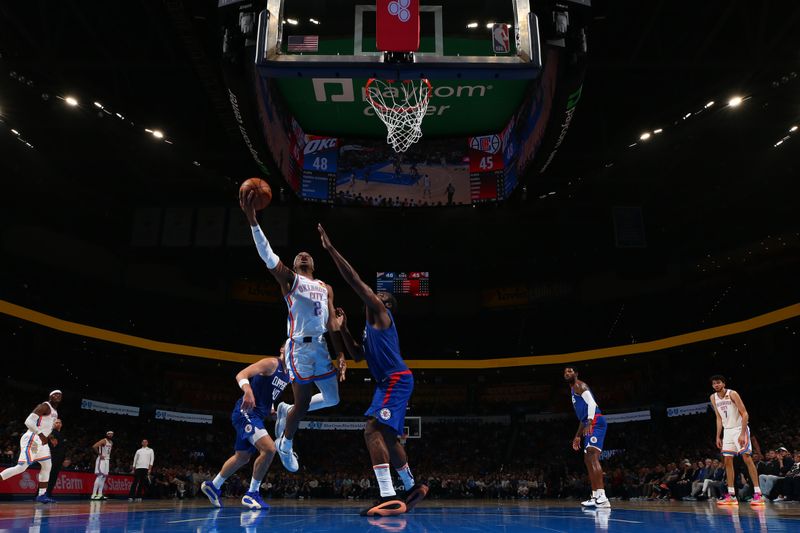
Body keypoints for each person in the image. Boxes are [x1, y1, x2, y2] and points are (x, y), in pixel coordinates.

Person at [317, 224, 428, 517]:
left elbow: (353, 280)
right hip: (389, 382)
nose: (375, 297)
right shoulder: (370, 330)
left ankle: (388, 495)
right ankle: (411, 486)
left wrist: (330, 249)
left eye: (381, 297)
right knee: (388, 438)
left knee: (372, 430)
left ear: (384, 304)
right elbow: (354, 355)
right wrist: (340, 330)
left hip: (394, 379)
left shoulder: (381, 314)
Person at [240, 187, 347, 473]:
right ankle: (286, 442)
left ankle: (286, 412)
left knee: (334, 398)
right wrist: (253, 219)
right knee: (301, 405)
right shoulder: (291, 282)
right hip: (299, 348)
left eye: (307, 256)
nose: (302, 256)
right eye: (299, 255)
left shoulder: (326, 287)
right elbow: (268, 255)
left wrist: (341, 356)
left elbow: (331, 324)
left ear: (313, 263)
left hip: (323, 348)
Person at [201, 346, 290, 509]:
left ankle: (214, 485)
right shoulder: (271, 363)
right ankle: (251, 494)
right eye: (292, 344)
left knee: (242, 457)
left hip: (257, 416)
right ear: (283, 349)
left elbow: (270, 393)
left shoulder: (288, 375)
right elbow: (241, 374)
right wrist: (247, 390)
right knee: (270, 450)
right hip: (246, 412)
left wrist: (271, 408)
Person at [710, 374, 764, 506]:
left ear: (723, 383)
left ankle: (758, 494)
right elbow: (718, 418)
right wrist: (718, 435)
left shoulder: (732, 394)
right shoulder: (713, 398)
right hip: (727, 431)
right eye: (714, 383)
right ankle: (732, 495)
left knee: (746, 458)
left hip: (740, 428)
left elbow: (745, 413)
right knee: (727, 460)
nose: (716, 385)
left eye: (718, 382)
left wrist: (742, 433)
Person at [0, 390, 62, 503]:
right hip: (33, 439)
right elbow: (28, 421)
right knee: (21, 467)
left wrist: (50, 437)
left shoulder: (55, 412)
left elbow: (46, 427)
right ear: (50, 396)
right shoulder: (44, 406)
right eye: (55, 394)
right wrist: (41, 434)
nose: (57, 396)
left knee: (47, 465)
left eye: (59, 395)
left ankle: (42, 495)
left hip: (42, 442)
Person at [563, 367, 610, 509]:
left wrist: (590, 421)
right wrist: (577, 435)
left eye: (570, 371)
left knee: (592, 455)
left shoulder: (580, 385)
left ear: (576, 374)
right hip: (589, 421)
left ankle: (602, 496)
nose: (567, 373)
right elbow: (582, 418)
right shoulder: (573, 390)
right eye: (565, 372)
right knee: (587, 459)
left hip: (595, 421)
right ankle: (595, 495)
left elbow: (592, 403)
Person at [45, 419, 65, 501]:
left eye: (59, 422)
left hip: (59, 458)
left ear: (61, 424)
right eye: (56, 422)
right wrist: (52, 439)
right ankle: (44, 494)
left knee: (53, 477)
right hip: (53, 458)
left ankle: (48, 494)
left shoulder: (60, 434)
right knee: (49, 477)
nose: (58, 424)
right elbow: (50, 437)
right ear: (53, 424)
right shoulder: (52, 432)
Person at [90, 431, 114, 500]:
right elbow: (94, 446)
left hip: (107, 460)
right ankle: (93, 494)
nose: (110, 435)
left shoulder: (111, 442)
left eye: (111, 434)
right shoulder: (103, 440)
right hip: (101, 460)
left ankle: (100, 494)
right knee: (100, 476)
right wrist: (100, 454)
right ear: (106, 434)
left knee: (104, 477)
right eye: (109, 434)